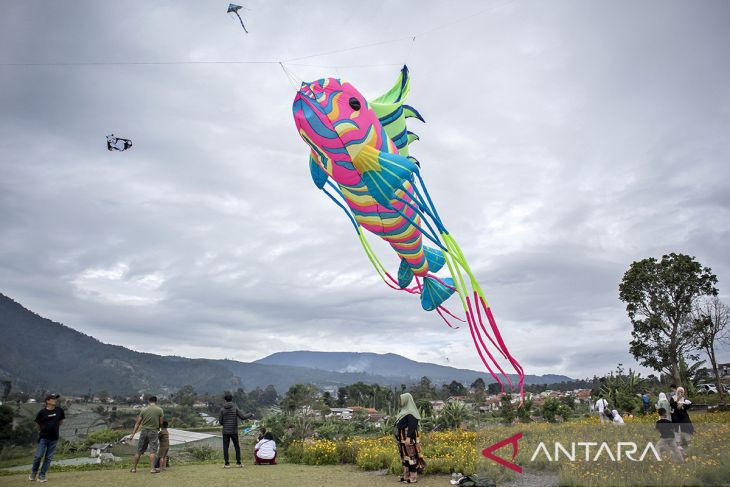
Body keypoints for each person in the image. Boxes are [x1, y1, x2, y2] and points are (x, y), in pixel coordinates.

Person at [29, 393, 65, 482]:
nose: (55, 400)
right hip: (43, 438)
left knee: (48, 458)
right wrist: (39, 431)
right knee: (38, 456)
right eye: (52, 399)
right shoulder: (42, 412)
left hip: (54, 438)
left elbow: (61, 421)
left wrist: (54, 428)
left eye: (55, 399)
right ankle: (33, 473)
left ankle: (42, 475)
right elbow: (37, 423)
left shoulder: (59, 410)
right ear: (47, 401)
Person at [395, 393, 425, 484]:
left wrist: (408, 437)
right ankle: (406, 476)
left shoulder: (411, 412)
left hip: (408, 439)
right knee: (405, 457)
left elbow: (412, 426)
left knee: (411, 457)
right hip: (402, 439)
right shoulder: (403, 411)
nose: (400, 401)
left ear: (407, 400)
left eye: (402, 399)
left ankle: (413, 477)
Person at [130, 395, 164, 474]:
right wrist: (158, 428)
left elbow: (138, 423)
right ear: (156, 401)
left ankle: (134, 469)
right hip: (153, 431)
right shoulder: (160, 410)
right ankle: (152, 469)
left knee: (139, 451)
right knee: (152, 451)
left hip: (144, 431)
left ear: (149, 401)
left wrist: (133, 434)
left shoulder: (144, 410)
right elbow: (161, 422)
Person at [219, 393, 254, 468]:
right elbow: (243, 417)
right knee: (236, 446)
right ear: (232, 400)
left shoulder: (222, 410)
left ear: (225, 400)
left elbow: (220, 422)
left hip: (225, 431)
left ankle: (226, 464)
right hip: (234, 431)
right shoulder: (235, 408)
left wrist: (226, 424)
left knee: (225, 447)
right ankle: (238, 463)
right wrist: (250, 414)